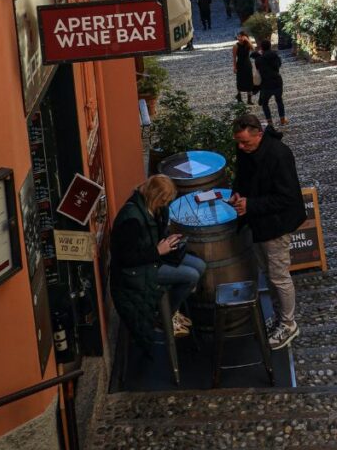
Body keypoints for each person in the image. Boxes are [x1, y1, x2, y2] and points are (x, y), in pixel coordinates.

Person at [229, 114, 306, 350]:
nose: (241, 147)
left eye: (245, 143)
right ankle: (279, 316)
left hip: (276, 224)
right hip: (259, 223)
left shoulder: (279, 155)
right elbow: (242, 177)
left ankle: (289, 324)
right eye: (238, 143)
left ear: (259, 135)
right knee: (269, 273)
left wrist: (250, 205)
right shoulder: (246, 150)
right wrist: (237, 193)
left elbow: (288, 197)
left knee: (279, 276)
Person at [110, 175, 207, 343]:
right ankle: (164, 316)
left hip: (154, 258)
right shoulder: (131, 219)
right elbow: (126, 258)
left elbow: (155, 235)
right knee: (191, 276)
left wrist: (169, 240)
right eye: (164, 201)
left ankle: (172, 308)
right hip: (138, 270)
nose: (165, 204)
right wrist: (158, 251)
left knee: (200, 265)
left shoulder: (154, 208)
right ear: (155, 197)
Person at [254, 39, 288, 127]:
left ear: (261, 48)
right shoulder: (275, 55)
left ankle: (270, 122)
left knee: (265, 104)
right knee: (279, 100)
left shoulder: (258, 59)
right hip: (277, 81)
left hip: (266, 83)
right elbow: (279, 65)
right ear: (270, 46)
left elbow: (257, 70)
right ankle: (282, 120)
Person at [233, 31, 255, 104]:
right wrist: (234, 67)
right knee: (240, 80)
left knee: (249, 80)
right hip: (240, 64)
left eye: (241, 36)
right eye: (238, 36)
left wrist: (248, 40)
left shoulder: (247, 44)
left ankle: (249, 99)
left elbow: (253, 49)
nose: (239, 38)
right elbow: (234, 58)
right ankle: (239, 96)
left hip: (247, 64)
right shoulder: (236, 46)